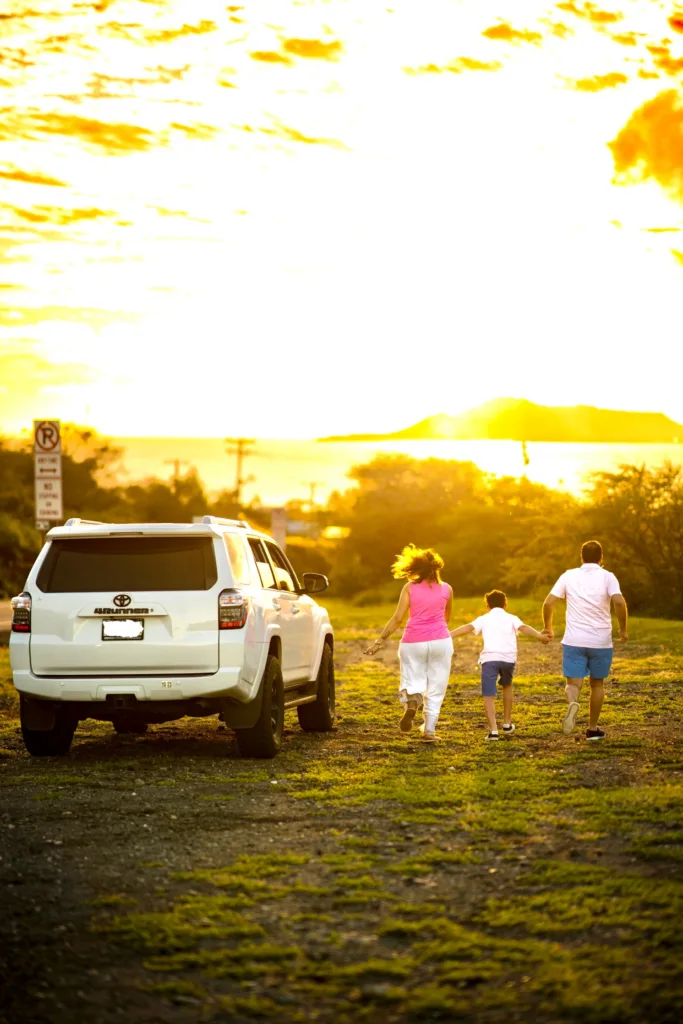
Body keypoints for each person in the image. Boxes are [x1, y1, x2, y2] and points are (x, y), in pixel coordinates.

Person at [364, 544, 453, 743]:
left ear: (416, 568)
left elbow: (397, 619)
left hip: (413, 642)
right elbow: (446, 617)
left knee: (412, 679)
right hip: (441, 641)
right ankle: (429, 731)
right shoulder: (447, 588)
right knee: (436, 687)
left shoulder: (410, 588)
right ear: (437, 568)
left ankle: (412, 704)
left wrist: (379, 642)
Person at [542, 540, 628, 741]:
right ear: (601, 558)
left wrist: (548, 627)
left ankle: (573, 702)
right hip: (600, 641)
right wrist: (623, 629)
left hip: (574, 640)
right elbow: (619, 602)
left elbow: (548, 603)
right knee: (597, 685)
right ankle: (592, 729)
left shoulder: (568, 575)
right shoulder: (608, 577)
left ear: (581, 557)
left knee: (573, 684)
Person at [450, 590, 550, 740]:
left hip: (490, 659)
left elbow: (468, 627)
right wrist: (540, 636)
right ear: (505, 604)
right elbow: (524, 628)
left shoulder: (484, 618)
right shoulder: (511, 618)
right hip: (508, 659)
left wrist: (448, 634)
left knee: (488, 694)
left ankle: (493, 731)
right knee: (507, 686)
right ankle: (507, 724)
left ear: (487, 606)